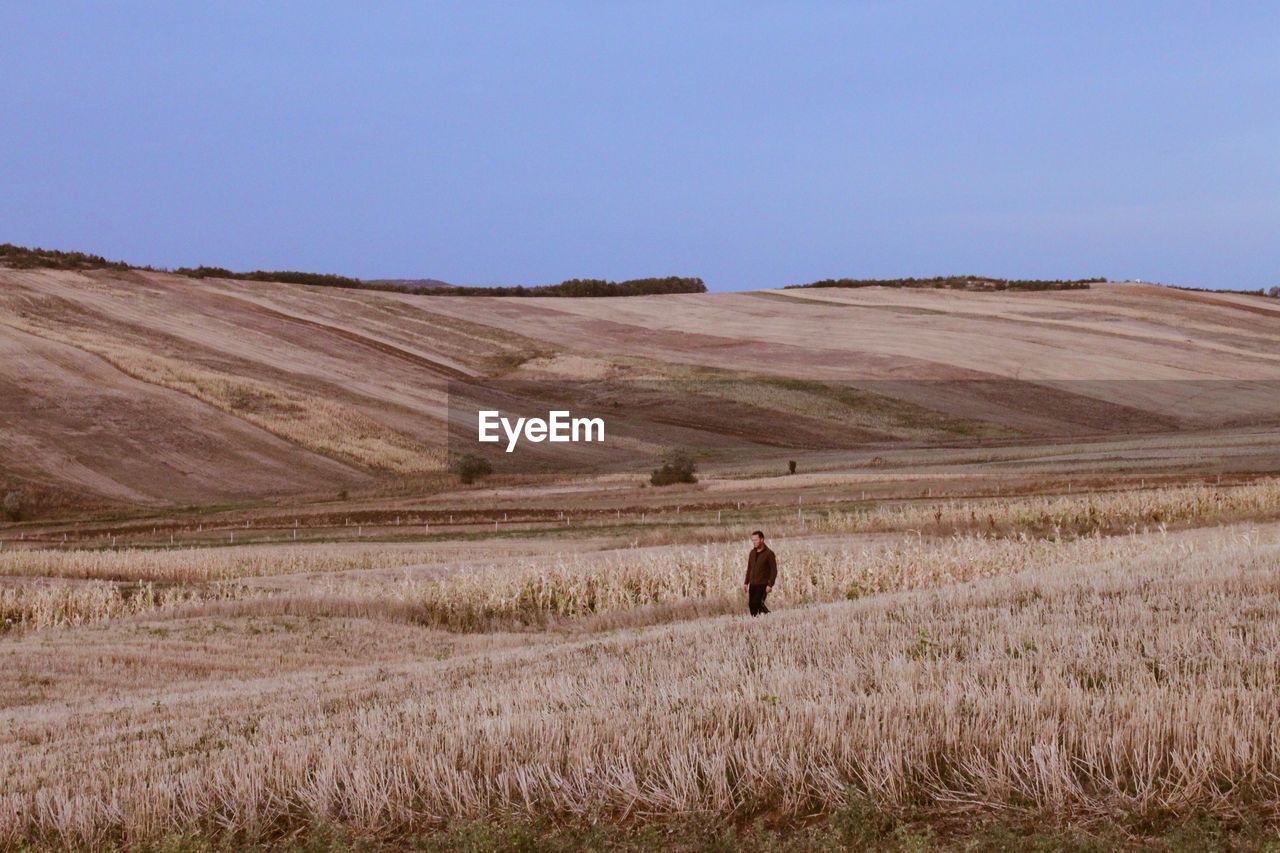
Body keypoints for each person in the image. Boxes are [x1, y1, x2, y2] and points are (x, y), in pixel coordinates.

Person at [742, 530, 777, 616]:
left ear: (762, 539)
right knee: (751, 605)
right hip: (753, 584)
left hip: (763, 584)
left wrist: (770, 584)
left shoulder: (769, 553)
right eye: (752, 540)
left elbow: (774, 570)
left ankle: (769, 616)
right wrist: (746, 583)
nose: (754, 542)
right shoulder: (752, 553)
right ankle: (756, 622)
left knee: (757, 603)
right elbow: (749, 568)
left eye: (756, 540)